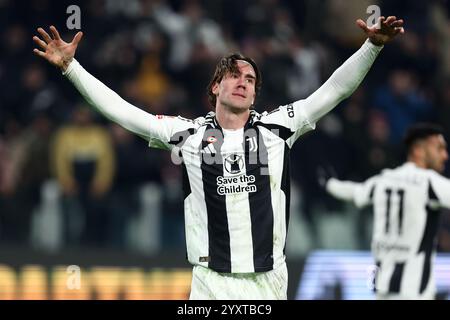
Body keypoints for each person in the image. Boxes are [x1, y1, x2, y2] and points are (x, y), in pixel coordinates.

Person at [32, 16, 404, 299]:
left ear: (256, 94)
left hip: (267, 281)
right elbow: (125, 112)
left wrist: (372, 47)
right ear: (215, 87)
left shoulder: (278, 129)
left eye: (250, 79)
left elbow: (334, 90)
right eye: (233, 75)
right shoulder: (189, 136)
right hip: (210, 283)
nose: (243, 81)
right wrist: (71, 68)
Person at [323, 123, 450, 300]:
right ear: (418, 150)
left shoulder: (384, 179)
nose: (445, 156)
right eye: (439, 149)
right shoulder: (430, 183)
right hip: (415, 292)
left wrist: (329, 183)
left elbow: (355, 192)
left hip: (382, 289)